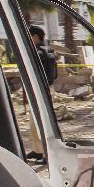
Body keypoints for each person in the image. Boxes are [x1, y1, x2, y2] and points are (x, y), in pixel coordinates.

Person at [24, 25, 58, 161]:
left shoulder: (39, 52)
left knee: (42, 122)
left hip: (41, 90)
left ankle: (47, 154)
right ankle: (38, 151)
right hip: (41, 89)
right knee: (34, 123)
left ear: (35, 37)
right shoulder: (47, 50)